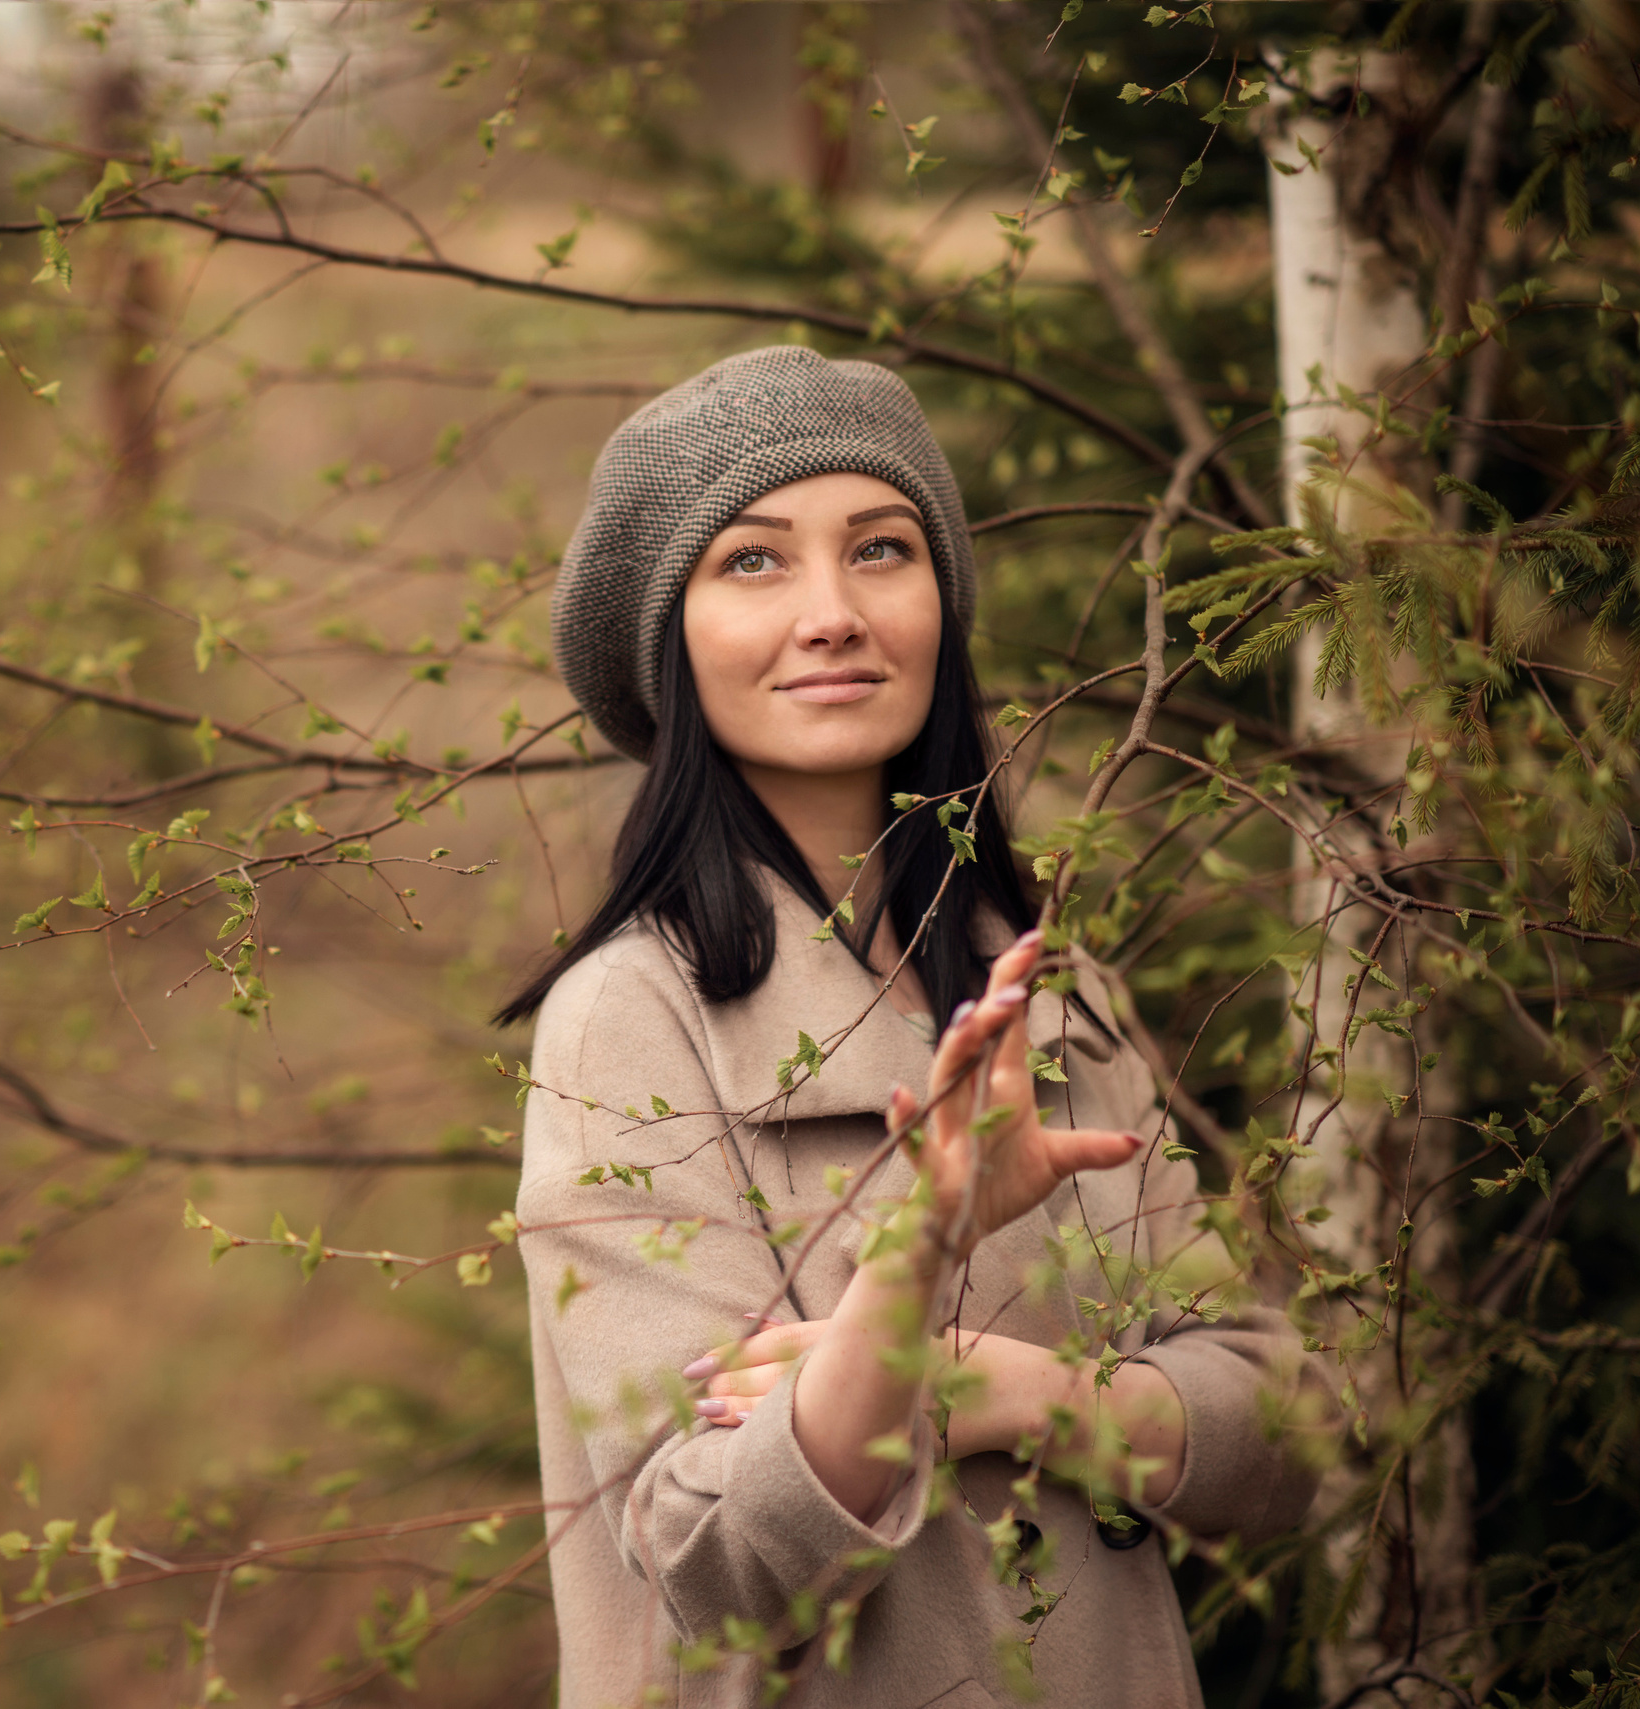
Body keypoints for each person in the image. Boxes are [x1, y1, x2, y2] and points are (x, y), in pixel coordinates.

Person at [497, 347, 1320, 1708]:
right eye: (753, 562)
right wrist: (920, 1252)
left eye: (880, 548)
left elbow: (1290, 1429)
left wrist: (1017, 1394)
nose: (833, 614)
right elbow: (716, 1563)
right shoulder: (630, 1017)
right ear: (668, 641)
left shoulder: (1040, 985)